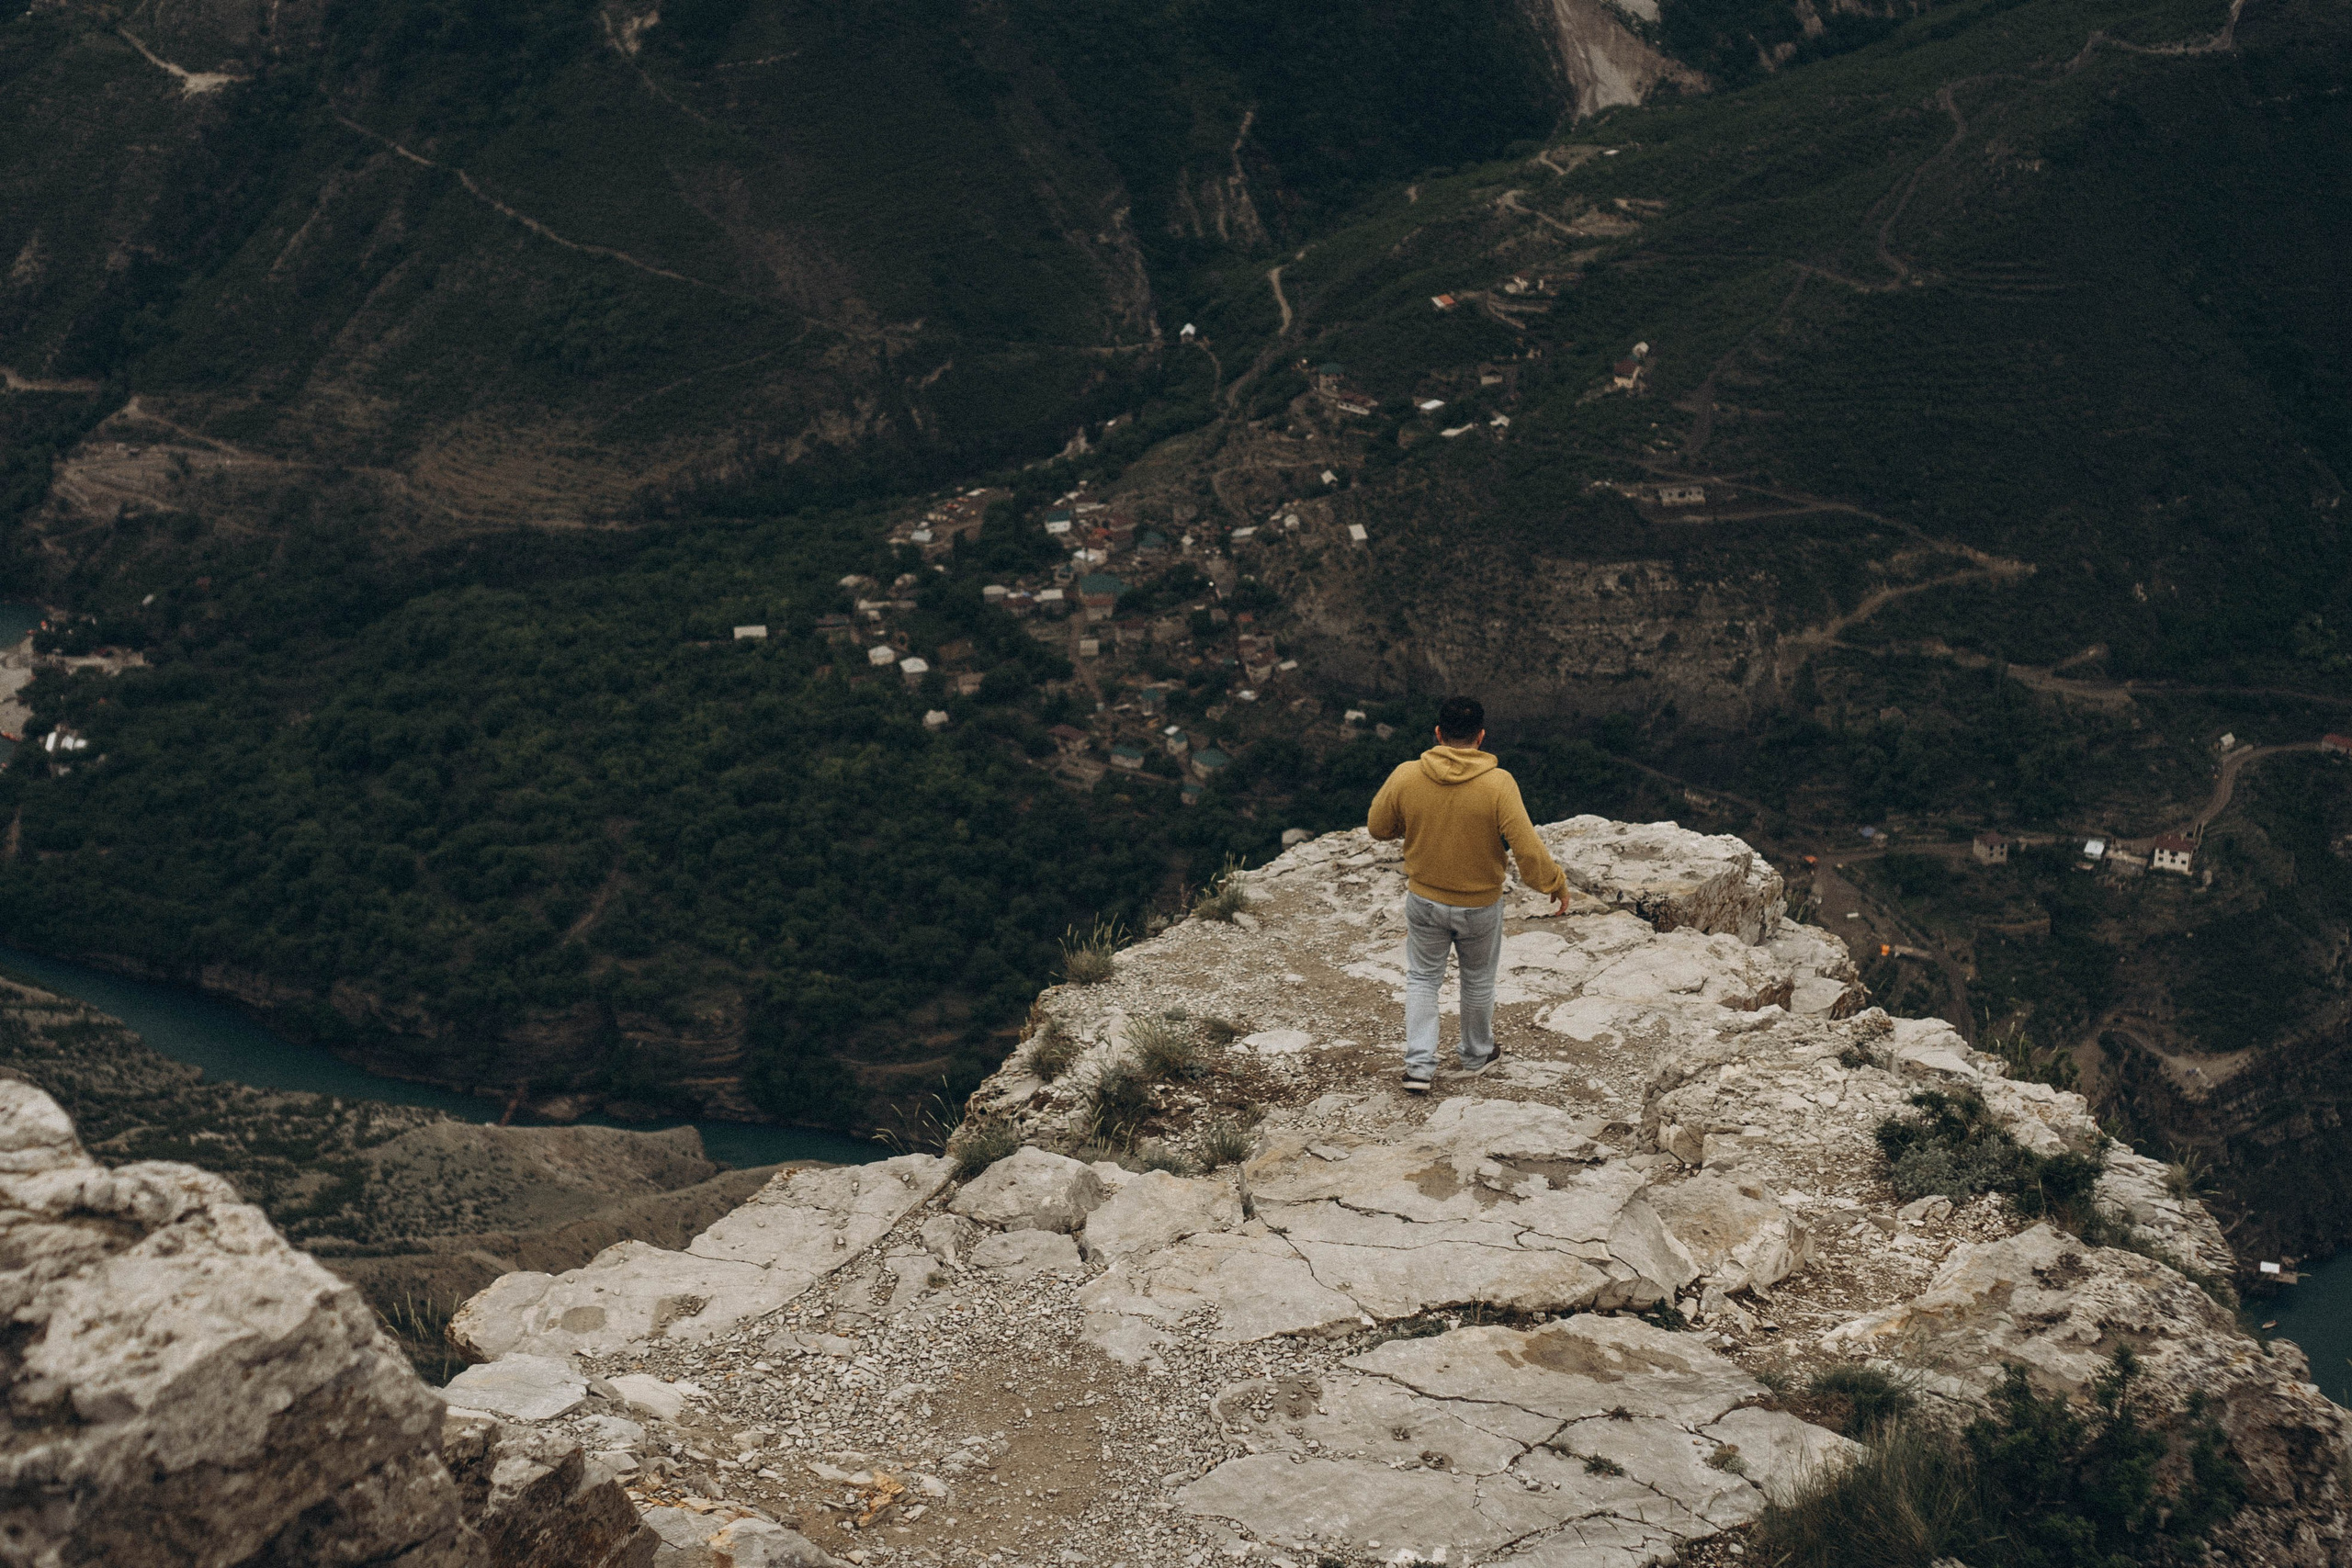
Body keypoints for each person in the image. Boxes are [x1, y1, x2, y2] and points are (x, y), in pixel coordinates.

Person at [1366, 695, 1569, 1093]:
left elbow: (1378, 826)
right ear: (1480, 737)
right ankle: (1477, 1054)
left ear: (1438, 733)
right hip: (1479, 905)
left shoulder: (1407, 775)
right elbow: (1526, 847)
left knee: (1423, 979)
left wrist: (1415, 826)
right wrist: (1554, 882)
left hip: (1424, 900)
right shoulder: (1498, 783)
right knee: (1477, 980)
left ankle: (1419, 1067)